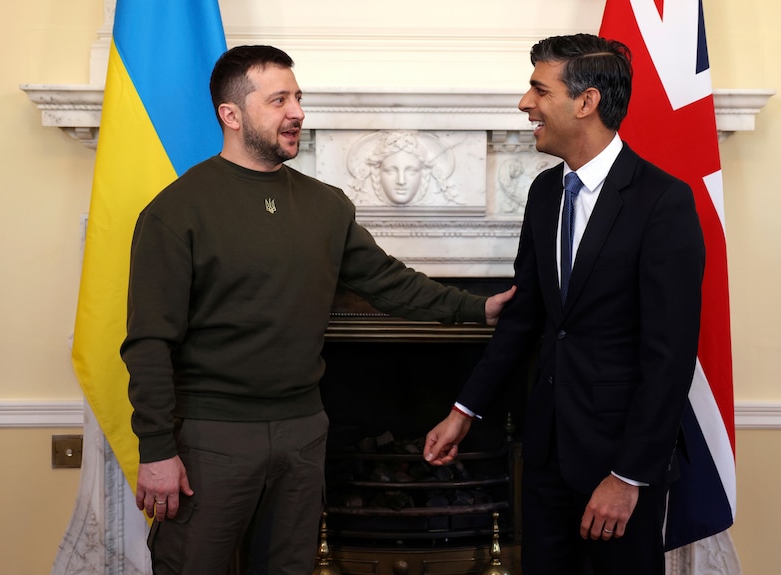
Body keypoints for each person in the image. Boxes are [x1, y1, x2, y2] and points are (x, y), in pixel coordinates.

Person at [120, 44, 515, 575]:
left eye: (298, 97)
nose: (297, 112)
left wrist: (480, 308)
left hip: (303, 431)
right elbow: (148, 343)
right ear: (230, 115)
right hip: (209, 439)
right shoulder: (174, 212)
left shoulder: (326, 205)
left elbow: (388, 283)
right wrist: (156, 449)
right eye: (279, 99)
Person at [423, 34, 705, 575]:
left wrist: (628, 477)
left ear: (586, 102)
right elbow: (526, 317)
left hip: (620, 466)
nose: (525, 104)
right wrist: (464, 411)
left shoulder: (663, 201)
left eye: (538, 89)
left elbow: (670, 357)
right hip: (547, 454)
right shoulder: (546, 192)